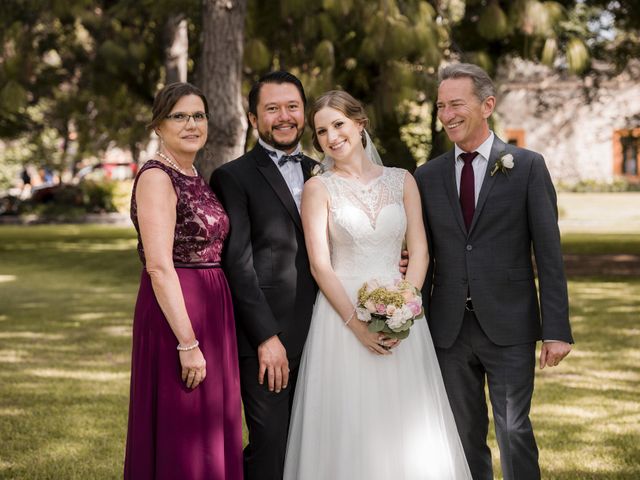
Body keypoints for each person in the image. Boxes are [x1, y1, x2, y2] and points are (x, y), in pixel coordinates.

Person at [283, 90, 472, 479]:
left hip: (401, 314)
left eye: (338, 124)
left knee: (404, 418)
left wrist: (406, 304)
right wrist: (357, 326)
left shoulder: (402, 180)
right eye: (321, 132)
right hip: (341, 319)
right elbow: (321, 265)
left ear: (359, 123)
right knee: (349, 418)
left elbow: (419, 251)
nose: (332, 137)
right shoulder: (319, 188)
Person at [414, 63, 573, 480]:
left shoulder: (527, 166)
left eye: (456, 104)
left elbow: (549, 253)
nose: (446, 114)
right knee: (464, 434)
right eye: (440, 106)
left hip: (509, 324)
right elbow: (420, 248)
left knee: (514, 429)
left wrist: (556, 328)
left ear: (487, 105)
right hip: (448, 329)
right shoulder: (426, 177)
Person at [124, 82, 243, 480]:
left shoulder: (191, 173)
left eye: (198, 115)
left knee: (209, 424)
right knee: (183, 428)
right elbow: (159, 266)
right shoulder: (158, 177)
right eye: (179, 116)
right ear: (158, 125)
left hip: (212, 310)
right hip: (178, 316)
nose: (191, 124)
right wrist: (187, 342)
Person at [209, 71, 319, 480]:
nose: (284, 116)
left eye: (292, 107)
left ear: (304, 113)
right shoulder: (233, 176)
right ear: (254, 119)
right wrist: (265, 338)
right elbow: (237, 264)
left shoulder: (322, 170)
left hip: (325, 334)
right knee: (271, 446)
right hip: (268, 338)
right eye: (272, 109)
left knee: (317, 443)